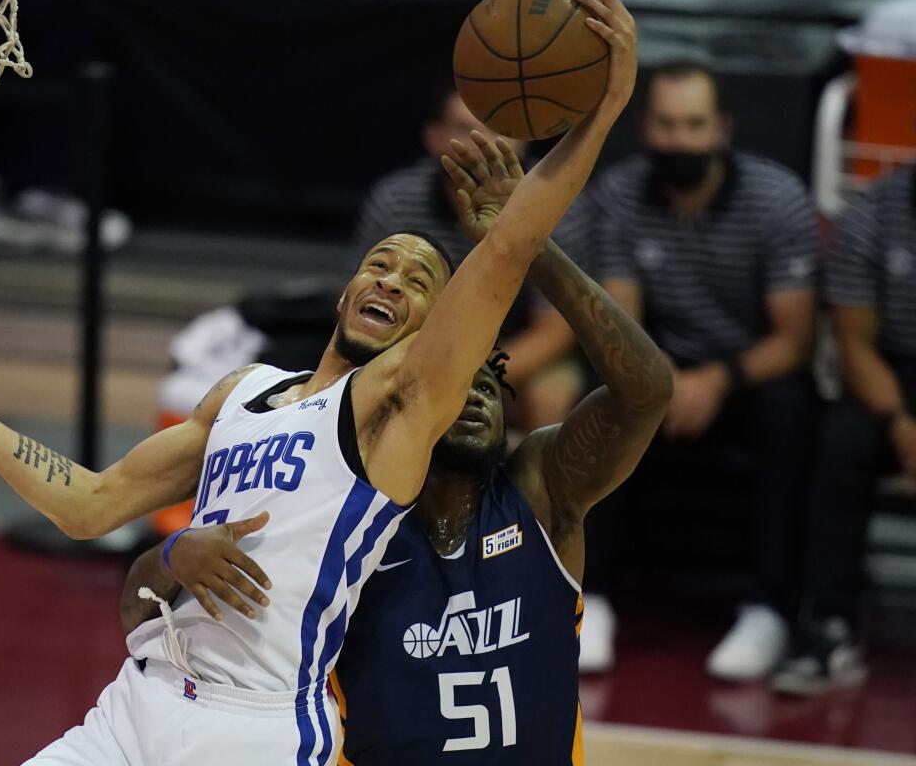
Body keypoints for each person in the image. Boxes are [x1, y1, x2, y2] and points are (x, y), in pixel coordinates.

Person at [0, 0, 637, 763]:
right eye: (379, 265)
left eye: (415, 284)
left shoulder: (394, 406)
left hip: (256, 726)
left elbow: (507, 249)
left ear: (435, 332)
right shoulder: (244, 392)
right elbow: (90, 506)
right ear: (344, 292)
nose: (389, 282)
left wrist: (602, 113)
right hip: (139, 700)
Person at [121, 236, 672, 764]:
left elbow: (646, 391)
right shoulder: (335, 512)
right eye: (460, 387)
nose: (475, 400)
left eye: (489, 387)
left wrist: (534, 250)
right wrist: (173, 554)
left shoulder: (541, 491)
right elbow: (140, 613)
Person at [568, 59, 821, 678]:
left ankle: (768, 609)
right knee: (601, 398)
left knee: (792, 412)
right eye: (666, 124)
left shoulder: (778, 198)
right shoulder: (619, 194)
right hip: (657, 367)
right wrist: (664, 383)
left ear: (723, 129)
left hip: (748, 375)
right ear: (647, 129)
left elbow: (796, 338)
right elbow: (619, 322)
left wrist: (716, 380)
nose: (679, 139)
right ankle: (589, 596)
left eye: (694, 124)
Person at [349, 89, 585, 431]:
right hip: (410, 349)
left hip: (507, 355)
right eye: (463, 129)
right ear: (433, 137)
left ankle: (519, 484)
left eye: (496, 130)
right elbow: (358, 299)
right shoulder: (394, 200)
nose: (479, 144)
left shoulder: (558, 205)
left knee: (551, 392)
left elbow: (554, 331)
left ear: (522, 139)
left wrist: (469, 373)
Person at [772, 164, 916, 695]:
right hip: (893, 373)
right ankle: (829, 625)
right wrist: (900, 424)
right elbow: (855, 342)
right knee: (838, 439)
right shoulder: (872, 212)